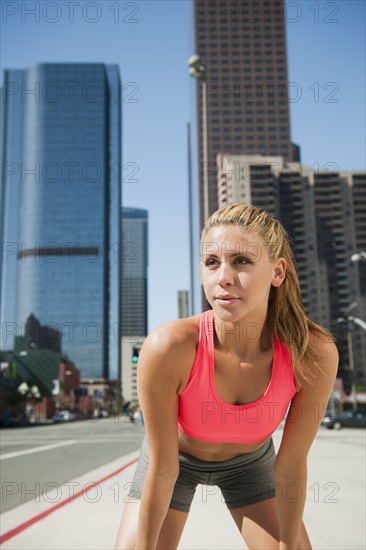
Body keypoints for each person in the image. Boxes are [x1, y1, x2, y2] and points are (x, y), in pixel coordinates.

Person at [114, 203, 338, 550]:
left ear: (277, 272)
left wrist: (288, 545)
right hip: (175, 462)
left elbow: (292, 466)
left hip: (250, 466)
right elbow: (162, 468)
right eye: (212, 263)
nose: (224, 278)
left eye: (242, 261)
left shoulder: (313, 353)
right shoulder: (167, 347)